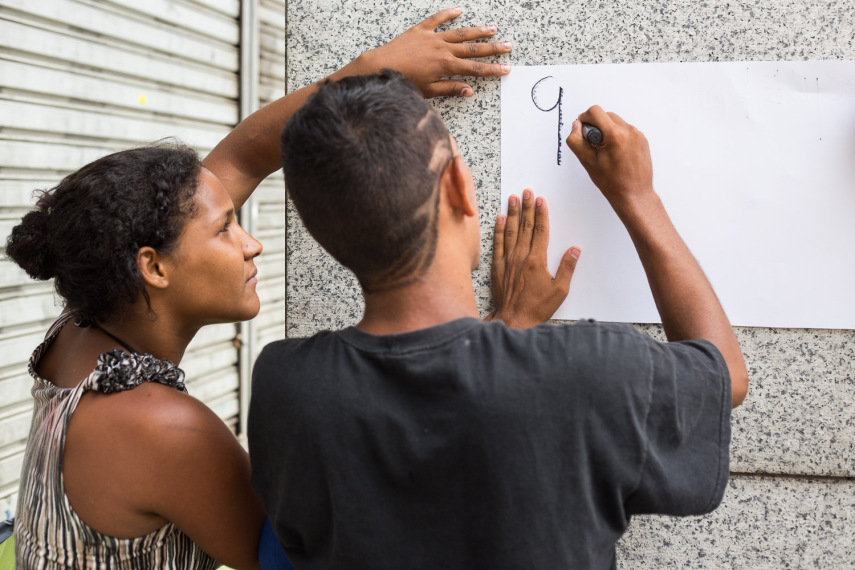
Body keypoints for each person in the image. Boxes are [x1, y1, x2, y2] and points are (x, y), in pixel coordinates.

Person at [5, 9, 528, 569]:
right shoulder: (163, 428)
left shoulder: (85, 320)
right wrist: (503, 338)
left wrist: (373, 72)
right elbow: (305, 555)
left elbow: (242, 155)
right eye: (225, 227)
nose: (251, 244)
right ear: (154, 266)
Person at [249, 70, 749, 569]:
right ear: (460, 187)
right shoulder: (591, 372)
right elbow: (725, 375)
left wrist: (509, 327)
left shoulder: (285, 388)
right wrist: (639, 198)